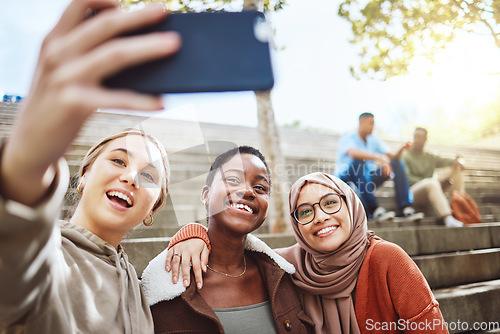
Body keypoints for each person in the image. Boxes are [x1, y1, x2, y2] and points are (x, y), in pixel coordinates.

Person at [0, 0, 181, 332]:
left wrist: (194, 234)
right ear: (83, 176)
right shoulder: (42, 259)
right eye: (117, 160)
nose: (130, 177)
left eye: (149, 175)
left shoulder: (140, 283)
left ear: (153, 208)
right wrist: (22, 170)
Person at [168, 172, 448, 334]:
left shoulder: (387, 259)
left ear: (351, 205)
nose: (320, 217)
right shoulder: (287, 264)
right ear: (296, 223)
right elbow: (235, 249)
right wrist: (193, 232)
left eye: (330, 202)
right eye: (305, 211)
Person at [140, 146, 314, 333]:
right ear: (205, 195)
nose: (248, 191)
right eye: (233, 180)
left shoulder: (283, 274)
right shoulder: (162, 285)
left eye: (260, 188)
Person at [335, 112, 423, 222]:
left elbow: (393, 156)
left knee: (397, 163)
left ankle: (405, 207)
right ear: (361, 122)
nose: (373, 127)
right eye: (370, 123)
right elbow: (353, 153)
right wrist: (379, 157)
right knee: (358, 162)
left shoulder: (373, 140)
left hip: (366, 180)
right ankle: (374, 209)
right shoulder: (348, 138)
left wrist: (402, 148)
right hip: (346, 179)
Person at [402, 127, 465, 227]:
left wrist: (459, 161)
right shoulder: (405, 156)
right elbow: (407, 179)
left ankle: (460, 205)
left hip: (431, 188)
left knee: (455, 169)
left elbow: (448, 161)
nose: (416, 140)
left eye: (419, 137)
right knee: (432, 182)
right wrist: (434, 182)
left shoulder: (430, 157)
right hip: (413, 192)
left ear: (425, 139)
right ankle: (447, 218)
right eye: (415, 137)